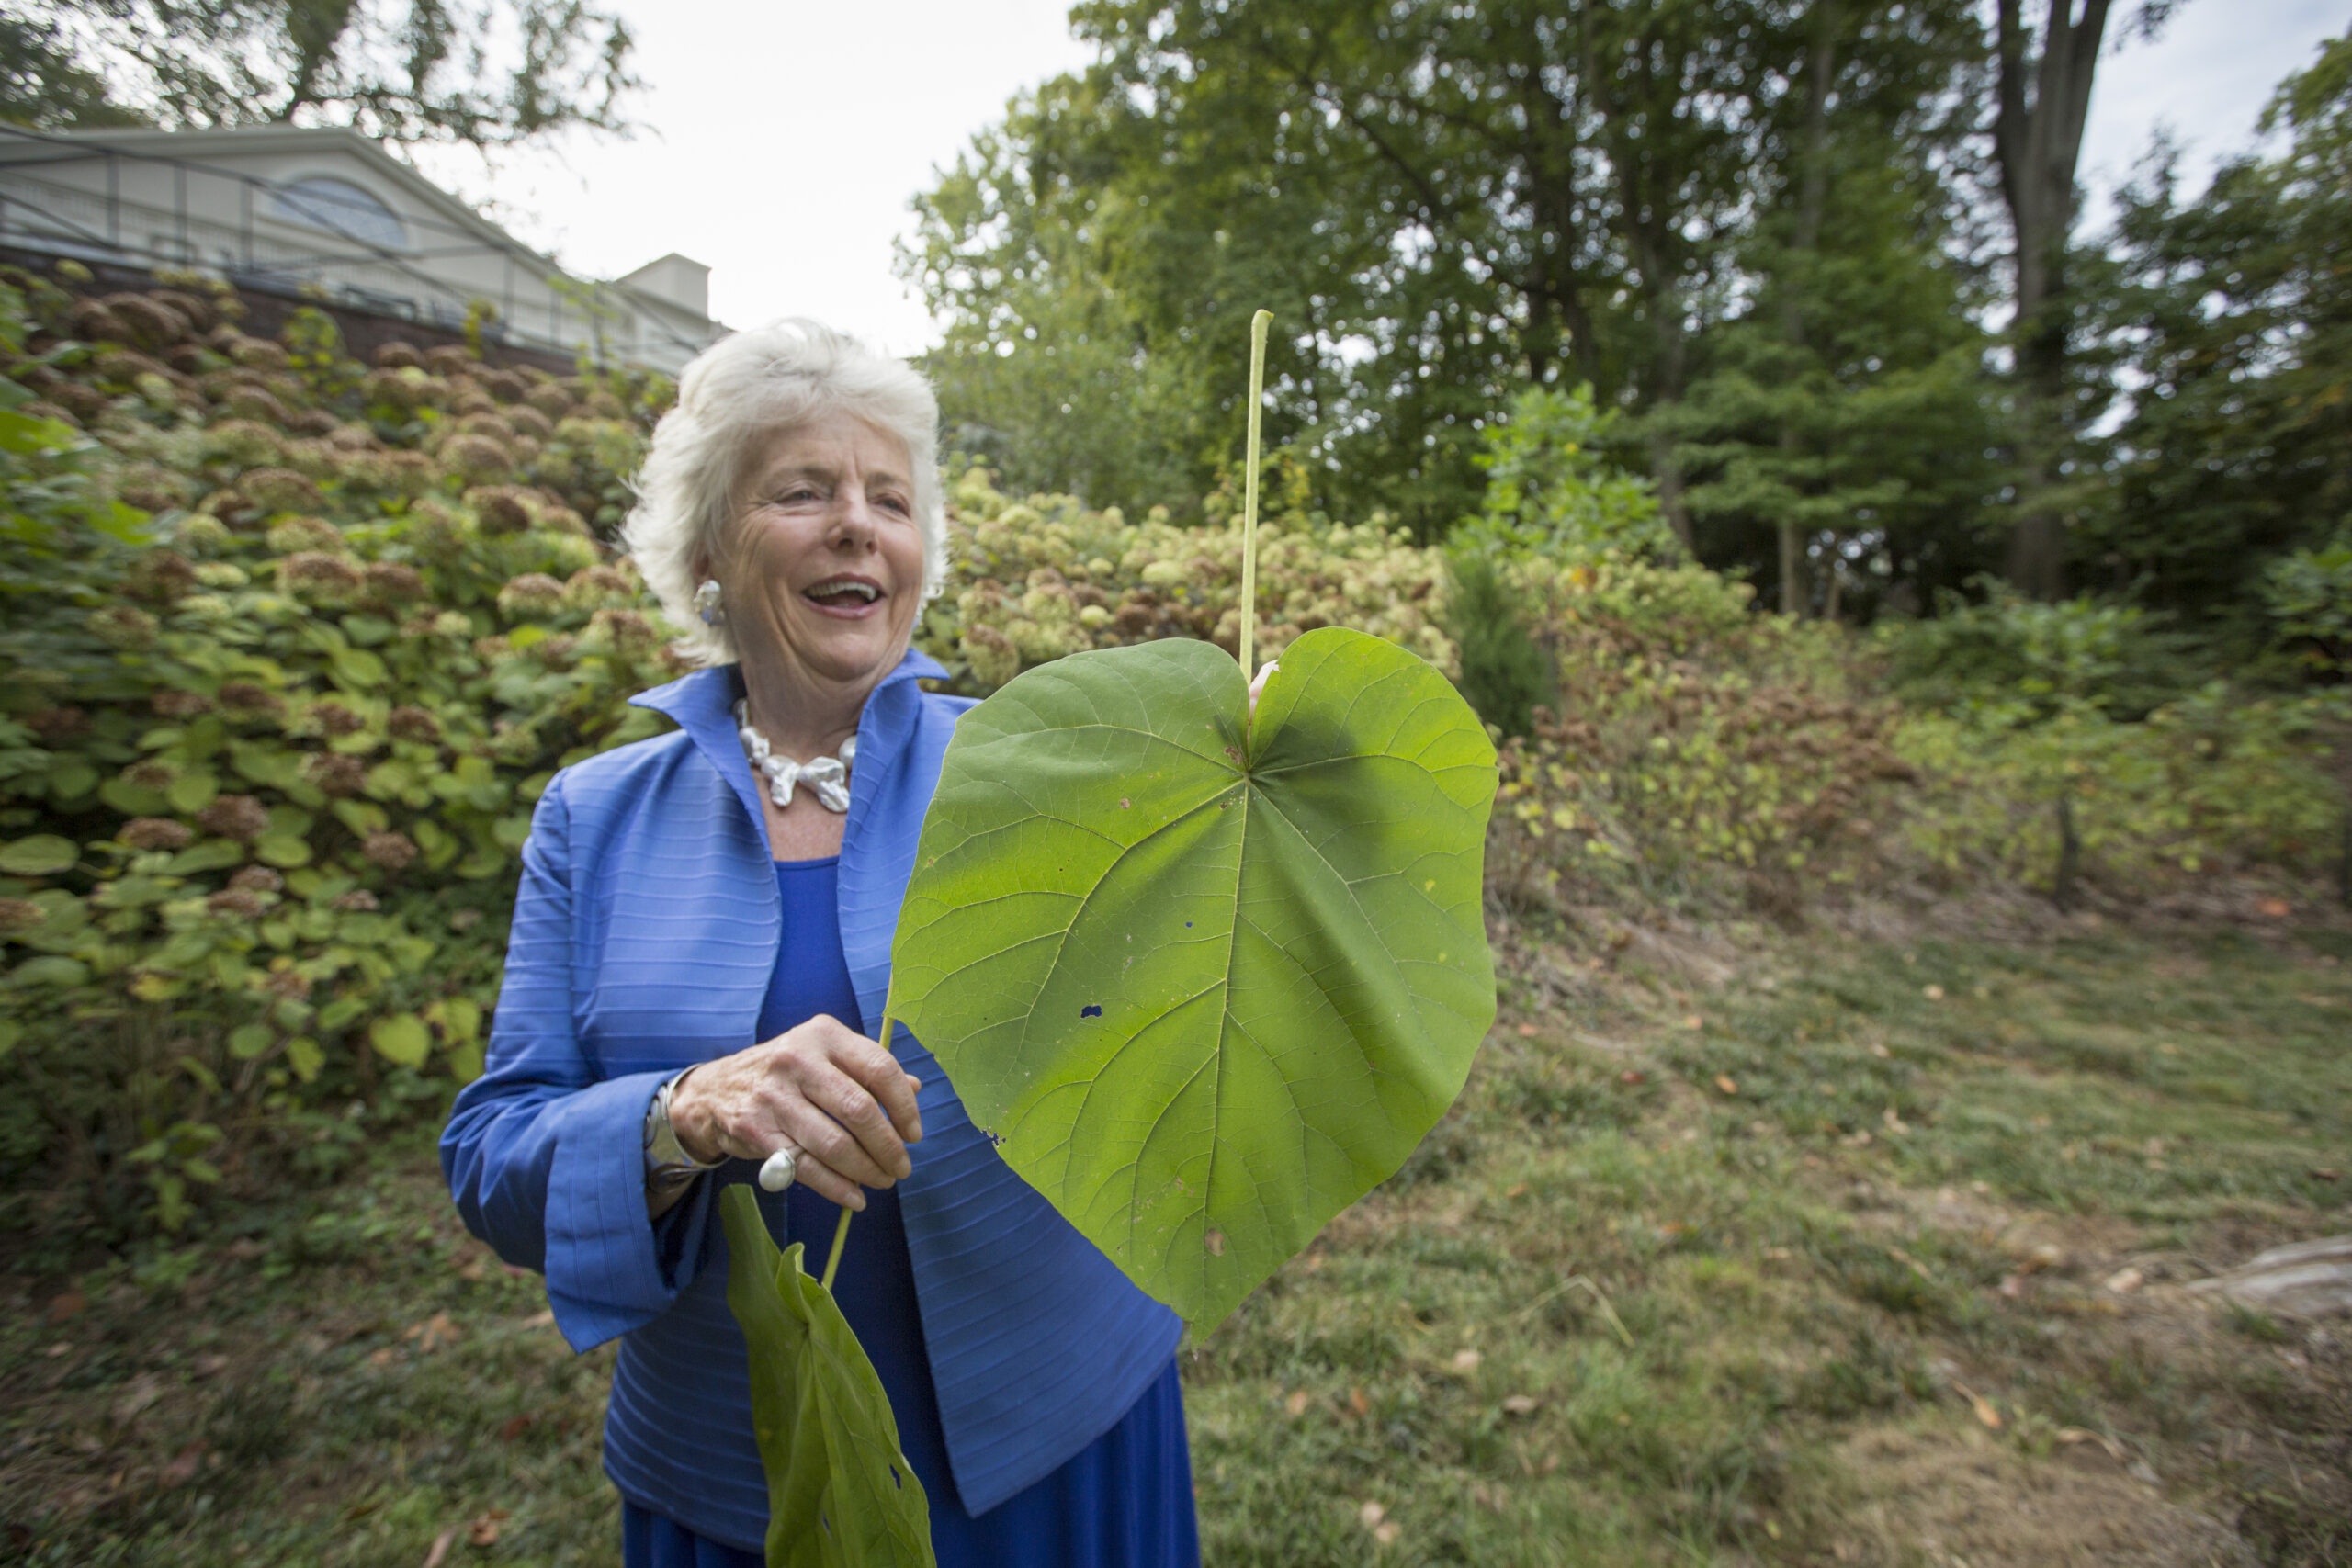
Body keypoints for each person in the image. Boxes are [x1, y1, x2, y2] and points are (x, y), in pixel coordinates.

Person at [441, 321, 1199, 1566]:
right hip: (745, 1475)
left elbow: (1187, 987)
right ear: (708, 549)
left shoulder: (1040, 767)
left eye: (890, 500)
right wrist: (685, 1112)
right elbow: (493, 1160)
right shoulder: (593, 817)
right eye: (803, 491)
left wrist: (1248, 782)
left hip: (1055, 1439)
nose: (858, 525)